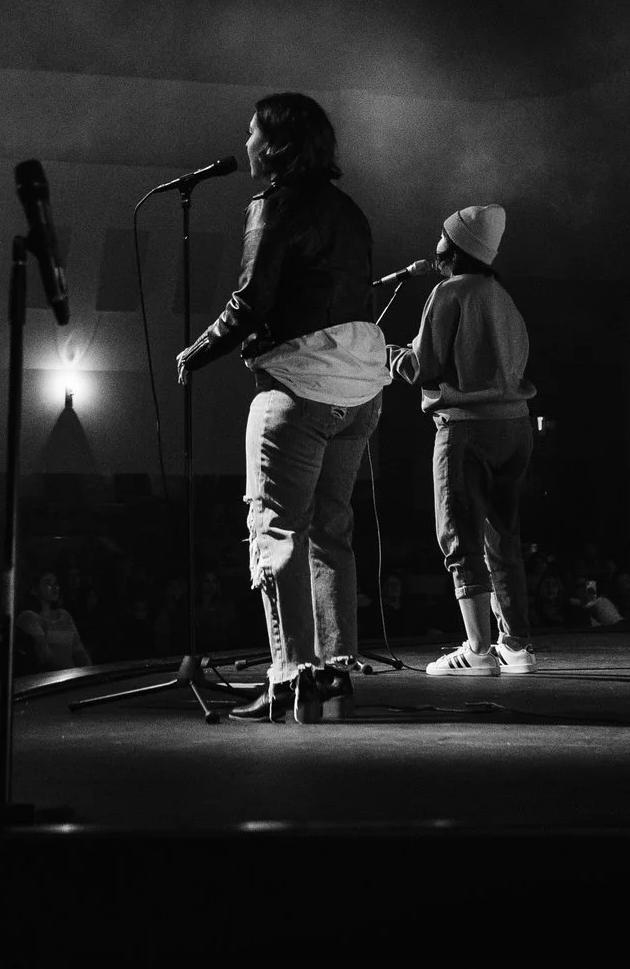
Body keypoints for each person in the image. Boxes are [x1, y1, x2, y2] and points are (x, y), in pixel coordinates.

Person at [178, 92, 381, 724]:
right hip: (360, 390)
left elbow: (250, 303)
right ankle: (336, 676)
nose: (245, 143)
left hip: (297, 387)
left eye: (251, 132)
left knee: (277, 531)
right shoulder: (350, 211)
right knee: (331, 533)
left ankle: (291, 678)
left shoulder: (273, 205)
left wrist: (196, 352)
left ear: (277, 145)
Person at [391, 205, 541, 678]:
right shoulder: (503, 297)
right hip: (515, 427)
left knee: (458, 536)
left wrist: (387, 353)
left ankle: (478, 650)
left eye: (442, 237)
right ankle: (516, 645)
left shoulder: (448, 291)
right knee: (503, 535)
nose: (435, 245)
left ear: (454, 248)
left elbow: (425, 367)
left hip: (465, 428)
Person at [13, 571, 93, 673]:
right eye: (48, 584)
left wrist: (89, 672)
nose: (55, 588)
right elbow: (45, 656)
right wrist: (74, 673)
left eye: (56, 584)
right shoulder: (28, 617)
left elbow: (78, 649)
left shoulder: (65, 615)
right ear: (34, 589)